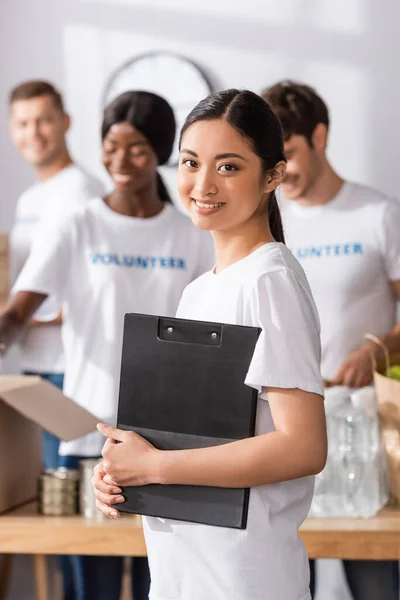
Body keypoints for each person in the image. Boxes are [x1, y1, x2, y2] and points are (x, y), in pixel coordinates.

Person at [93, 89, 327, 600]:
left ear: (273, 176)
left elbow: (303, 446)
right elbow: (190, 437)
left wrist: (154, 466)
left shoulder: (269, 280)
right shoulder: (200, 289)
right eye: (191, 162)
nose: (202, 184)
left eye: (228, 167)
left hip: (242, 577)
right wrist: (120, 467)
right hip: (184, 572)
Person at [0, 90, 214, 600]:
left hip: (162, 439)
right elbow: (17, 313)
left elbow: (206, 337)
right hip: (85, 433)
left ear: (160, 151)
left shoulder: (188, 234)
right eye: (110, 146)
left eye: (137, 149)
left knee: (154, 579)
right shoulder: (78, 226)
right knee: (87, 582)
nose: (120, 161)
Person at [263, 80, 400, 600]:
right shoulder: (267, 222)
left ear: (319, 135)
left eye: (290, 153)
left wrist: (376, 349)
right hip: (281, 424)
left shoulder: (378, 214)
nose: (283, 171)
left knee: (372, 577)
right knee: (288, 576)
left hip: (363, 426)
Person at [8, 80, 103, 470]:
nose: (34, 132)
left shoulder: (83, 192)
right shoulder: (29, 198)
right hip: (35, 364)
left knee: (68, 492)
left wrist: (20, 317)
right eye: (23, 123)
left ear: (65, 122)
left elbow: (97, 286)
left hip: (71, 366)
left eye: (44, 120)